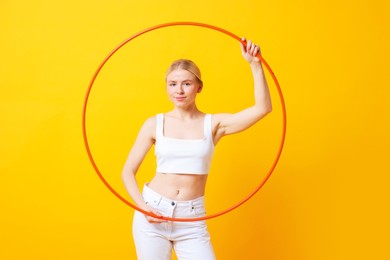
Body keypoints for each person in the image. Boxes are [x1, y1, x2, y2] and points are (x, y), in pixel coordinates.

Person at [121, 38, 272, 260]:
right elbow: (127, 172)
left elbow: (263, 108)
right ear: (166, 87)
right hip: (153, 212)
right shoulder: (154, 123)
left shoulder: (214, 124)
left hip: (191, 219)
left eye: (186, 84)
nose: (179, 90)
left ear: (199, 86)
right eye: (172, 84)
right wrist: (144, 208)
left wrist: (254, 64)